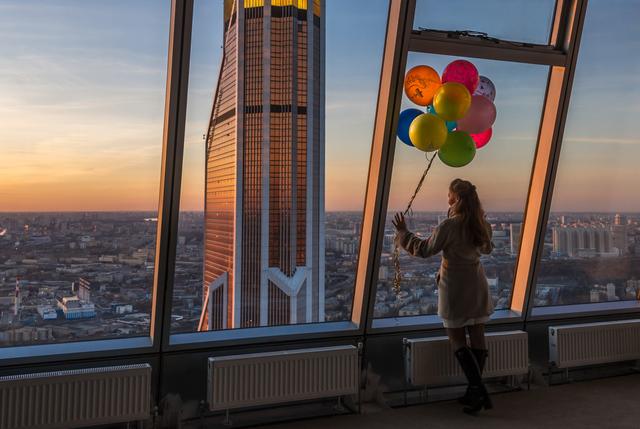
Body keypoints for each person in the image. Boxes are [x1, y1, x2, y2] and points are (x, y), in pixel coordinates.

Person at [392, 178, 494, 415]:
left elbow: (424, 250)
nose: (446, 198)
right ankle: (474, 391)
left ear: (456, 199)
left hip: (455, 286)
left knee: (457, 338)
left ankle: (478, 390)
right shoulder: (482, 225)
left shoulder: (449, 226)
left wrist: (403, 233)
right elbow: (487, 249)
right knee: (478, 337)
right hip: (477, 283)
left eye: (449, 195)